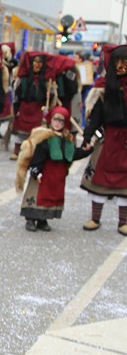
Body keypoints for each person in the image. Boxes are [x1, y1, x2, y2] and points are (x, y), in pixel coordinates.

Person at [16, 106, 91, 232]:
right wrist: (36, 170)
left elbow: (71, 154)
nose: (57, 123)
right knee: (36, 194)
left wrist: (86, 151)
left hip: (57, 174)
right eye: (55, 120)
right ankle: (30, 218)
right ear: (51, 120)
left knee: (50, 197)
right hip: (43, 172)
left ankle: (42, 219)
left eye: (61, 121)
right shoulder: (43, 136)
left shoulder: (66, 139)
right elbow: (38, 155)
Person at [80, 43, 127, 234]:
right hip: (107, 139)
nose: (121, 66)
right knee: (98, 178)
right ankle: (95, 218)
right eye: (118, 61)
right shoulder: (103, 88)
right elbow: (96, 116)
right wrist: (87, 136)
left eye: (126, 62)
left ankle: (123, 222)